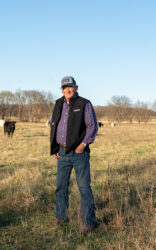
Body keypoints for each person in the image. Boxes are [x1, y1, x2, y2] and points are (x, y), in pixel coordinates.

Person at [49, 76, 98, 234]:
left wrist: (83, 145)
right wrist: (55, 148)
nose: (68, 89)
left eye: (71, 86)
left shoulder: (84, 103)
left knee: (84, 187)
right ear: (62, 90)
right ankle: (61, 217)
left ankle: (88, 222)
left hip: (79, 154)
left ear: (76, 88)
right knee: (61, 187)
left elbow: (92, 126)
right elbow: (54, 125)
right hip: (62, 153)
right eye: (65, 87)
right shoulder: (58, 104)